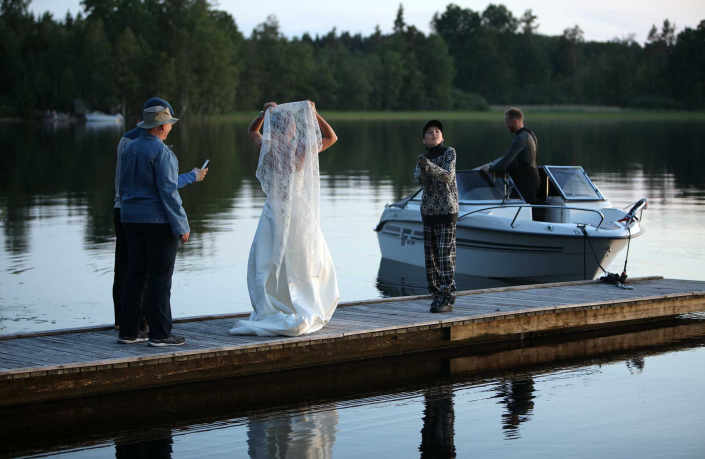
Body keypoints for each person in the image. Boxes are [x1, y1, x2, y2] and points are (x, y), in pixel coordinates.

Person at [230, 100, 339, 337]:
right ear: (291, 129)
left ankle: (274, 305)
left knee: (268, 258)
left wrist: (262, 113)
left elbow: (252, 131)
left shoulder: (266, 148)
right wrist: (315, 113)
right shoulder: (301, 149)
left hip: (273, 211)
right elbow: (331, 137)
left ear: (273, 127)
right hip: (298, 211)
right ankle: (303, 302)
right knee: (302, 258)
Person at [112, 97, 208, 333]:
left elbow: (122, 187)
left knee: (134, 275)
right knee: (160, 279)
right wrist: (182, 226)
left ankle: (128, 331)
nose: (171, 128)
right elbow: (168, 192)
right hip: (156, 222)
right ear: (162, 125)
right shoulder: (162, 152)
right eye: (170, 124)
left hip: (129, 219)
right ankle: (160, 334)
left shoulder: (129, 147)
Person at [414, 120, 459, 313]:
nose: (434, 134)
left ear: (442, 136)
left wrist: (429, 166)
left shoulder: (449, 152)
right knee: (430, 258)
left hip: (447, 211)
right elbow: (419, 179)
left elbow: (447, 176)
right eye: (430, 132)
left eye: (437, 131)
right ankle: (436, 294)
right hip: (428, 212)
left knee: (444, 255)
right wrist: (424, 167)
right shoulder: (422, 158)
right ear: (424, 140)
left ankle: (448, 295)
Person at [481, 107, 539, 205]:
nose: (506, 125)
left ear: (515, 121)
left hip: (527, 181)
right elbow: (521, 159)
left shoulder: (521, 138)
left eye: (507, 122)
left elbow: (506, 160)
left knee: (526, 210)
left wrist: (489, 169)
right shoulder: (530, 134)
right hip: (533, 177)